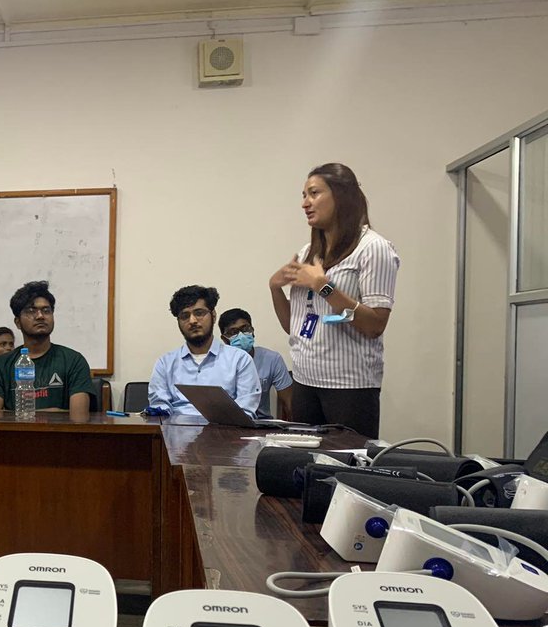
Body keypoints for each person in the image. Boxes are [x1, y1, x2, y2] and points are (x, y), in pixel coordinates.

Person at [268, 162, 399, 438]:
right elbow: (294, 326)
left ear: (341, 196)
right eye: (303, 195)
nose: (305, 203)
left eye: (314, 193)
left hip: (349, 388)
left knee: (343, 470)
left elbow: (374, 325)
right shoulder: (308, 252)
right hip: (304, 381)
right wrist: (274, 287)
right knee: (305, 471)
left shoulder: (373, 248)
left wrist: (324, 288)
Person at [147, 286, 259, 418]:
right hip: (176, 433)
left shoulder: (240, 360)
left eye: (199, 313)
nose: (193, 321)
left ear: (213, 315)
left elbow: (245, 411)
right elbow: (159, 408)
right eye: (185, 316)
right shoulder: (165, 363)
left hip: (227, 434)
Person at [0, 280, 95, 413]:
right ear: (18, 322)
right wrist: (55, 412)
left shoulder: (73, 361)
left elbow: (79, 416)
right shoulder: (1, 364)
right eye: (31, 311)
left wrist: (18, 414)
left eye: (46, 310)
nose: (40, 316)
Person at [217, 308, 293, 419]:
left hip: (262, 424)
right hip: (227, 424)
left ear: (252, 331)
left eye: (245, 329)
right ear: (224, 339)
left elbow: (289, 403)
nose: (241, 335)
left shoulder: (272, 359)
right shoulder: (216, 363)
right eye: (233, 332)